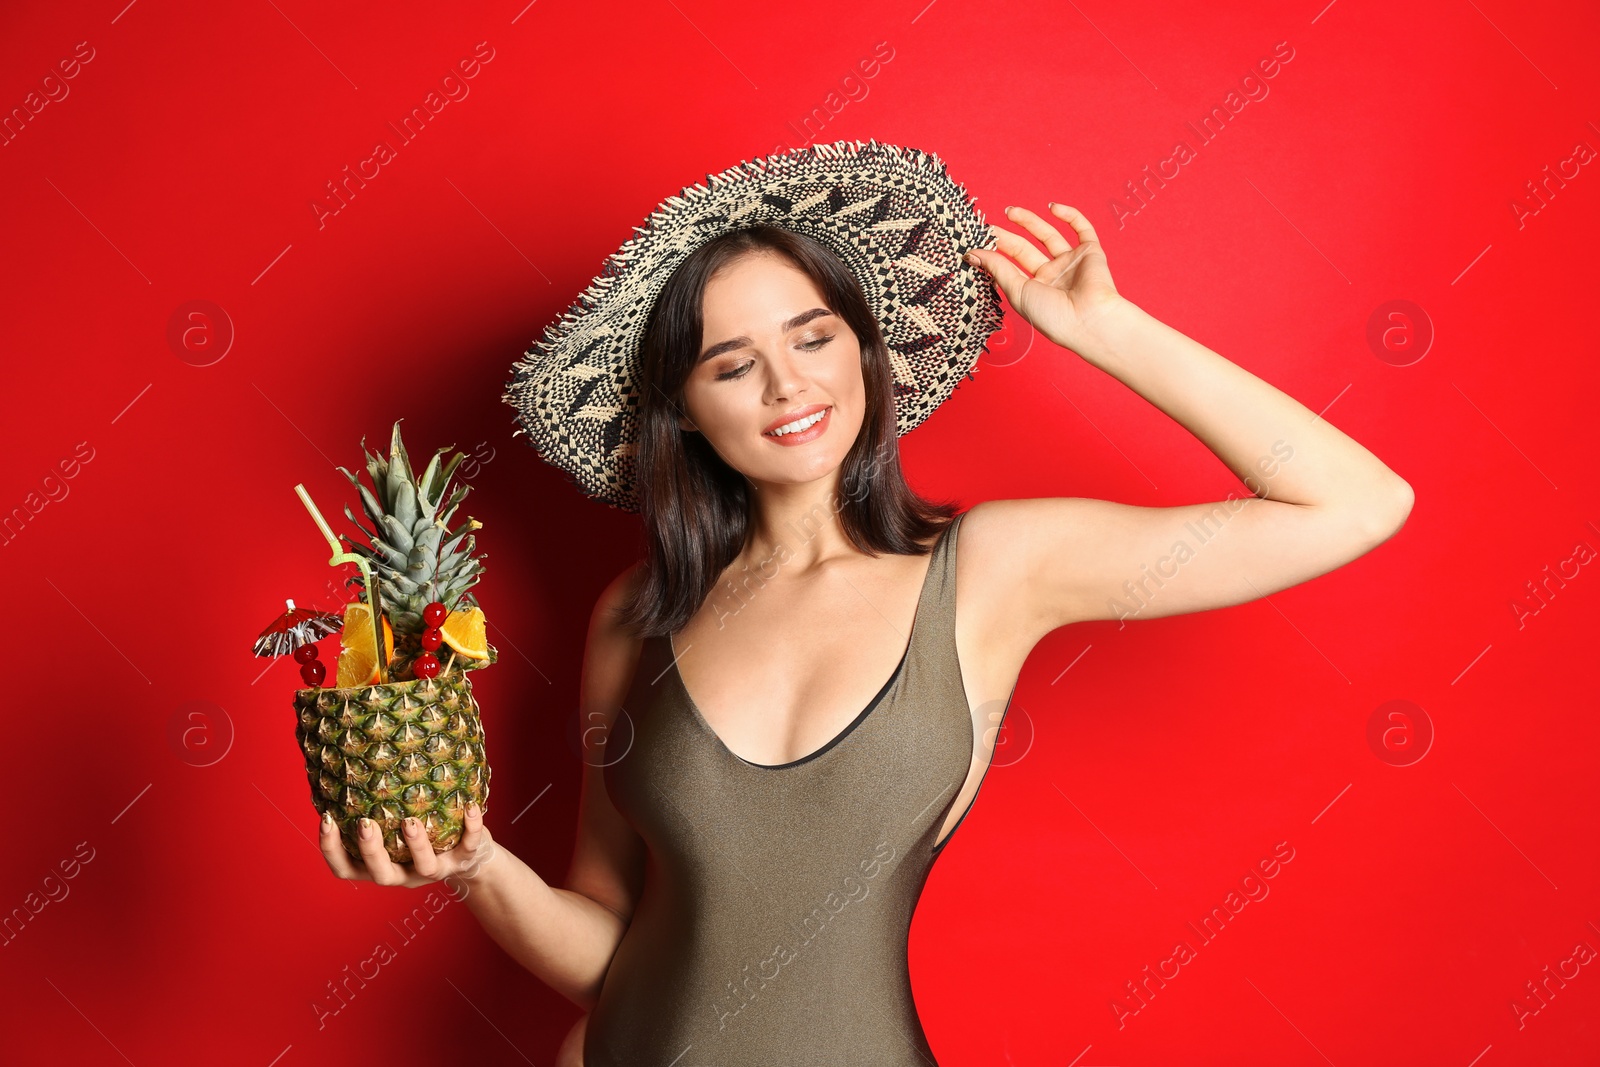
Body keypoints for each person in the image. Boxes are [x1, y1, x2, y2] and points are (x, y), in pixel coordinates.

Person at [320, 150, 1412, 1064]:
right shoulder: (637, 613)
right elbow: (613, 948)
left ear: (864, 345)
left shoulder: (992, 567)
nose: (790, 387)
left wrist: (1107, 331)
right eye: (731, 365)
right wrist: (475, 868)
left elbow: (1355, 503)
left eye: (813, 336)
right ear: (685, 412)